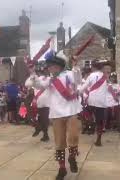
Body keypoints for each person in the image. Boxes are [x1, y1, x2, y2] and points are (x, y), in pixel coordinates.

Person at [28, 52, 82, 180]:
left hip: (72, 111)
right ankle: (62, 168)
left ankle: (72, 157)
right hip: (57, 114)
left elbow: (78, 80)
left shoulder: (69, 74)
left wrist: (75, 66)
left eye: (52, 66)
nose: (50, 68)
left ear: (59, 66)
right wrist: (32, 73)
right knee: (59, 142)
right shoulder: (49, 80)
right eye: (49, 67)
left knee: (74, 136)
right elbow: (37, 85)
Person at [78, 60, 113, 146]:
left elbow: (83, 88)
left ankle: (91, 123)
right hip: (101, 102)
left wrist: (77, 92)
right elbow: (108, 87)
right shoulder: (105, 77)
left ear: (93, 67)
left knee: (85, 112)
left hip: (92, 101)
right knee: (100, 121)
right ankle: (99, 139)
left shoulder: (91, 75)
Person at [25, 61, 50, 142]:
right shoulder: (34, 78)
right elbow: (27, 84)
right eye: (45, 70)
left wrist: (33, 76)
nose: (46, 71)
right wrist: (32, 75)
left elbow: (42, 85)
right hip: (37, 101)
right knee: (32, 117)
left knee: (44, 119)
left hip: (45, 102)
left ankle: (45, 135)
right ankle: (38, 128)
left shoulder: (49, 79)